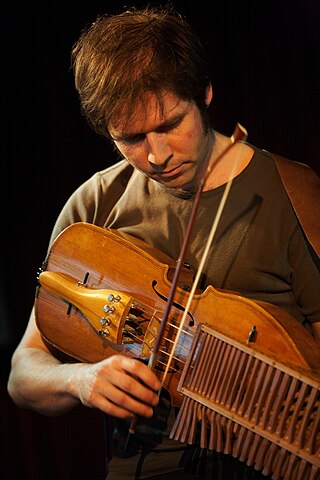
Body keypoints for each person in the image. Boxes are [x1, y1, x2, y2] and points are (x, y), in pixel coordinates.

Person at [7, 4, 320, 480]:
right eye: (131, 138)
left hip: (279, 457)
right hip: (150, 464)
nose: (156, 155)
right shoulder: (93, 207)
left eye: (170, 124)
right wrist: (80, 380)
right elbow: (23, 373)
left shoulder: (292, 192)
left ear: (206, 94)